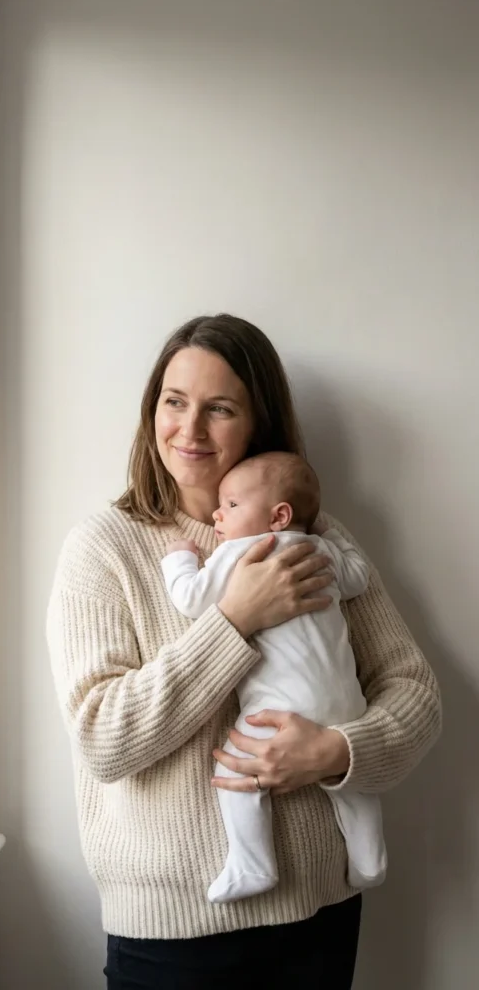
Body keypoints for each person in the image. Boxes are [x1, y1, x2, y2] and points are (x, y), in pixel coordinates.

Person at [47, 314, 441, 990]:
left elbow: (415, 692)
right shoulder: (104, 547)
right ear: (152, 411)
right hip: (172, 932)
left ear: (257, 422)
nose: (190, 429)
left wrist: (338, 752)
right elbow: (103, 738)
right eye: (174, 402)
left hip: (318, 913)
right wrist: (235, 618)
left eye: (219, 408)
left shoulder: (315, 538)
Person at [161, 450, 386, 906]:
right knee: (351, 783)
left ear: (278, 516)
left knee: (235, 770)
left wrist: (180, 560)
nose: (217, 514)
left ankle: (253, 862)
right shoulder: (320, 551)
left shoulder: (240, 551)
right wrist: (330, 535)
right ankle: (369, 857)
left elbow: (191, 599)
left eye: (232, 505)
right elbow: (359, 577)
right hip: (346, 703)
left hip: (280, 710)